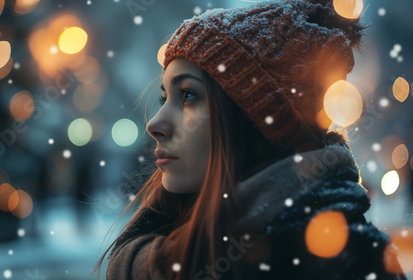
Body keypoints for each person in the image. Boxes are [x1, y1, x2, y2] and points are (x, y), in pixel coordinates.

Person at [93, 0, 407, 279]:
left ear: (253, 121)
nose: (155, 123)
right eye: (164, 97)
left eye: (187, 95)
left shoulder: (349, 261)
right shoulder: (180, 240)